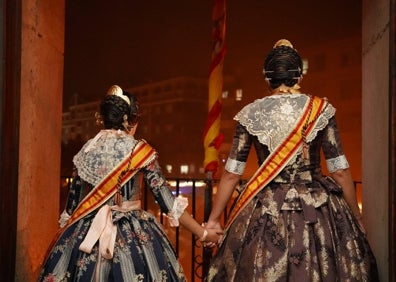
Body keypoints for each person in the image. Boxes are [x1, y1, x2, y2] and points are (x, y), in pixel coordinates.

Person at [204, 39, 379, 281]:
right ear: (299, 75)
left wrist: (213, 220)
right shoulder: (321, 109)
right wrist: (356, 217)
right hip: (317, 208)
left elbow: (232, 173)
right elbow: (339, 169)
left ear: (267, 77)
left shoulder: (250, 113)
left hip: (266, 208)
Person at [38, 85, 222, 281]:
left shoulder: (85, 151)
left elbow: (71, 209)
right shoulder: (139, 151)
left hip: (86, 234)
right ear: (130, 120)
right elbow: (169, 204)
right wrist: (204, 234)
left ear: (103, 118)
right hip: (132, 232)